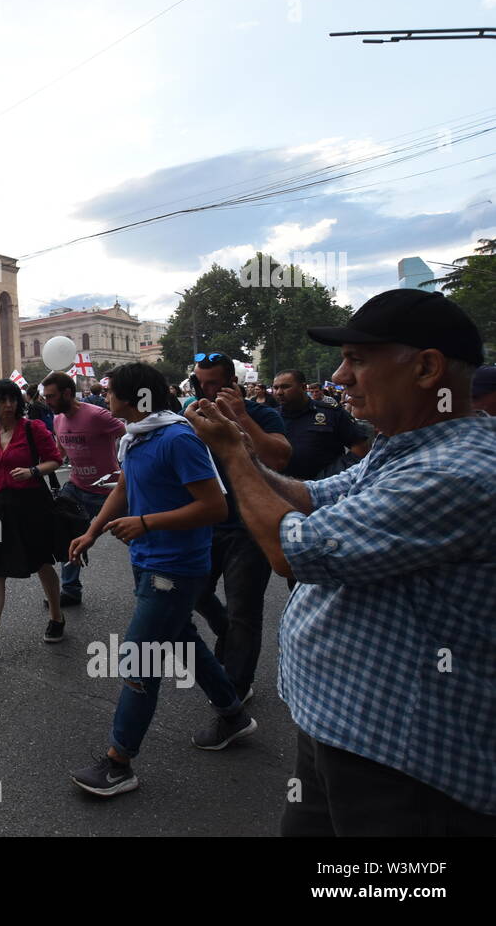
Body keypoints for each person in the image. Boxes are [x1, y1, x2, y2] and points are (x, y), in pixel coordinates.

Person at [185, 289, 495, 834]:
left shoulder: (456, 471)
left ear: (426, 368)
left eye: (357, 359)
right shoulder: (406, 447)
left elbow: (292, 549)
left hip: (401, 761)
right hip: (341, 729)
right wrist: (241, 448)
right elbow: (309, 495)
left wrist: (234, 454)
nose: (341, 376)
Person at [67, 363, 253, 796]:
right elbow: (126, 486)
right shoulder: (136, 437)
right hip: (149, 561)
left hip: (176, 567)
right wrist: (93, 530)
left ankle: (119, 763)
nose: (104, 397)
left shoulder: (177, 437)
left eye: (111, 392)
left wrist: (146, 523)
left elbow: (215, 507)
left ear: (135, 399)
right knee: (184, 638)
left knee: (137, 659)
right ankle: (233, 714)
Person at [189, 352, 290, 704]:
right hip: (207, 523)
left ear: (232, 383)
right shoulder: (196, 417)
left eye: (213, 383)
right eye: (200, 383)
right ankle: (227, 636)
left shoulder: (261, 413)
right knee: (194, 592)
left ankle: (236, 686)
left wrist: (241, 416)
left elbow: (278, 457)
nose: (205, 390)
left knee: (243, 609)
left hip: (249, 527)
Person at [0, 378, 66, 664]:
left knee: (42, 562)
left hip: (33, 502)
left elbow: (55, 460)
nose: (8, 405)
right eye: (2, 400)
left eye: (12, 399)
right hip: (2, 507)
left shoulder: (33, 428)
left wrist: (33, 471)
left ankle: (56, 616)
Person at [41, 370, 126, 606]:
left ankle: (157, 578)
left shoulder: (97, 415)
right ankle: (70, 590)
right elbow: (60, 453)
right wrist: (36, 468)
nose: (47, 401)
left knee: (134, 536)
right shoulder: (58, 419)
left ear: (67, 393)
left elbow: (129, 435)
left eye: (51, 396)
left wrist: (128, 468)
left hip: (108, 489)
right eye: (45, 397)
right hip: (76, 488)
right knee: (67, 535)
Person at [272, 369, 369, 481]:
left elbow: (360, 446)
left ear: (303, 388)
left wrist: (337, 474)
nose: (279, 392)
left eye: (285, 387)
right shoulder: (271, 417)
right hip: (281, 487)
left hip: (325, 489)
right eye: (275, 388)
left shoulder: (331, 413)